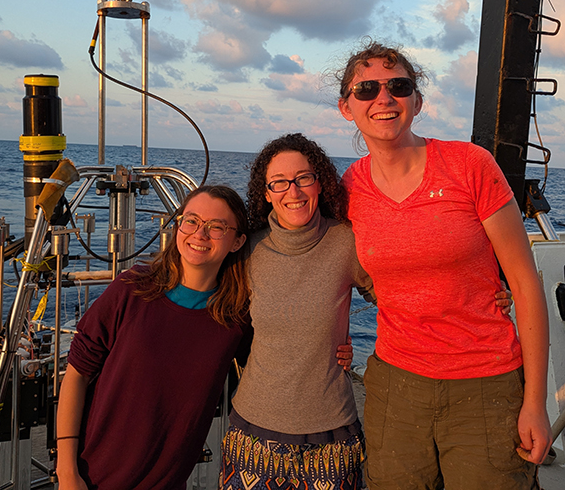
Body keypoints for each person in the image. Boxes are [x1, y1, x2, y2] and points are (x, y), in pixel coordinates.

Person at [337, 40, 552, 490]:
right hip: (395, 386)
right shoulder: (349, 189)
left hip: (486, 384)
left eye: (398, 85)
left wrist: (535, 401)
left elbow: (525, 283)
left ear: (417, 100)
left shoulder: (469, 165)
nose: (384, 98)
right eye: (367, 89)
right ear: (347, 108)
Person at [56, 185, 252, 490]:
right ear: (178, 226)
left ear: (238, 241)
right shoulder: (131, 290)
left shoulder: (234, 319)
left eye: (217, 227)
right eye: (192, 221)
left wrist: (338, 350)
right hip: (92, 478)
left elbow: (277, 360)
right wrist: (67, 472)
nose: (200, 234)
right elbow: (77, 373)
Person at [220, 133, 374, 490]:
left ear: (320, 182)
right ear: (266, 192)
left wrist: (475, 292)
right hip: (254, 434)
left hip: (332, 435)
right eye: (279, 183)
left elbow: (399, 300)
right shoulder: (247, 250)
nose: (294, 191)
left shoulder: (346, 241)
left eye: (304, 177)